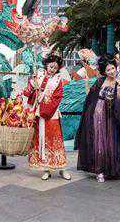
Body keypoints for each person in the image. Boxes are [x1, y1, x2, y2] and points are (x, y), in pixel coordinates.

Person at [75, 54, 120, 183]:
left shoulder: (119, 83)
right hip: (97, 116)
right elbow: (91, 96)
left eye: (112, 68)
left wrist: (119, 89)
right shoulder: (100, 81)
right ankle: (99, 170)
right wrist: (86, 83)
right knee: (98, 142)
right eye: (108, 69)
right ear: (104, 71)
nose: (111, 71)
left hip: (111, 117)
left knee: (114, 142)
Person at [24, 53, 71, 181]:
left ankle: (62, 168)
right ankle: (46, 169)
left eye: (55, 68)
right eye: (51, 66)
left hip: (51, 113)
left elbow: (57, 97)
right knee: (42, 140)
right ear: (46, 65)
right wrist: (33, 85)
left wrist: (45, 104)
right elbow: (29, 92)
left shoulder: (58, 80)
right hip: (39, 114)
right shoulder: (38, 75)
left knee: (55, 139)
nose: (52, 69)